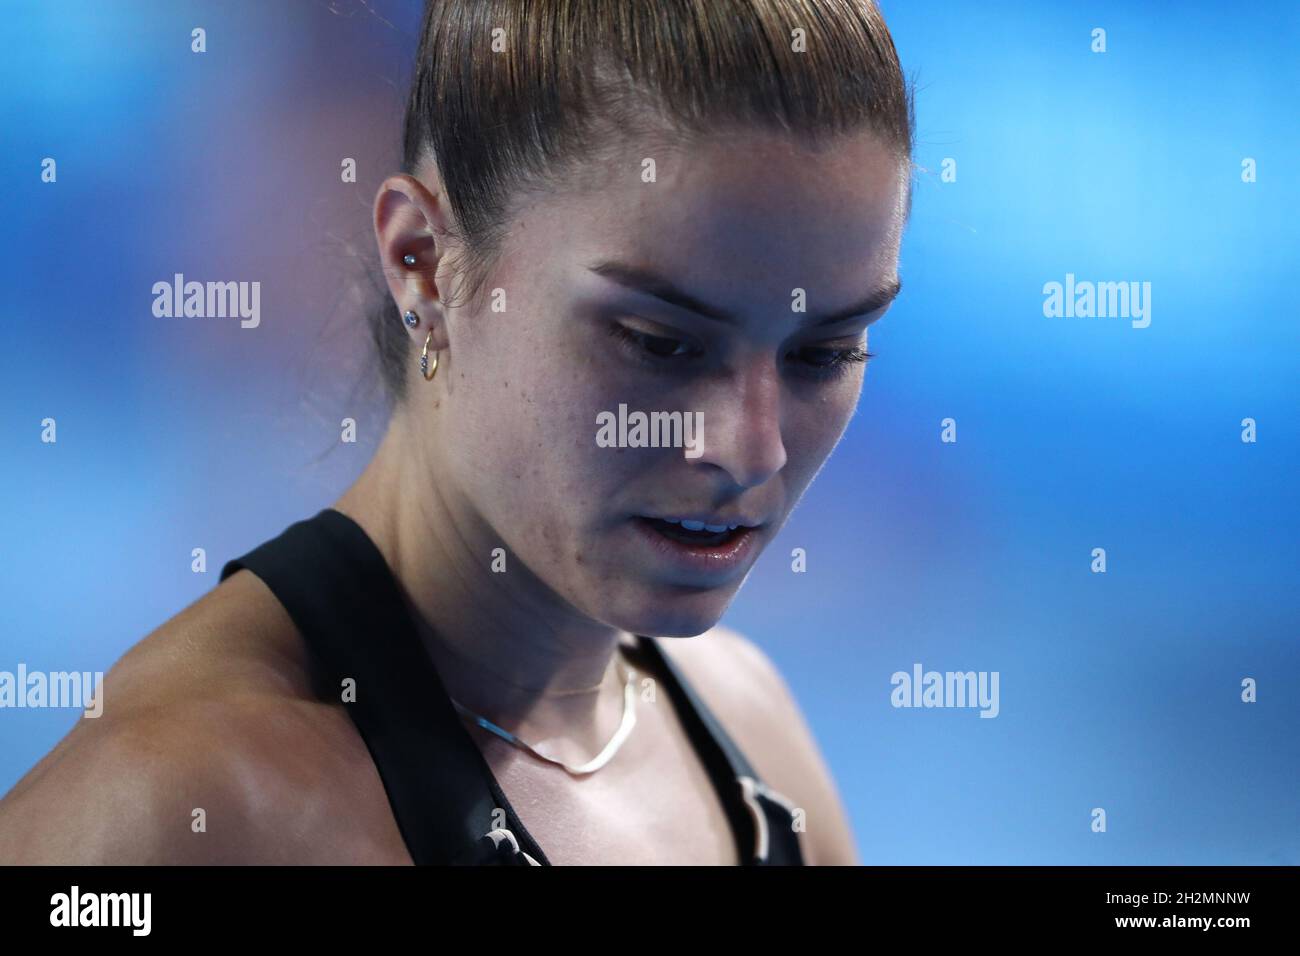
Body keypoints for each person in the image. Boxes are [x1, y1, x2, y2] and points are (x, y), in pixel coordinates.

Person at [0, 0, 913, 865]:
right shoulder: (176, 807)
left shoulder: (753, 737)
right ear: (424, 266)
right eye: (660, 343)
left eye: (823, 354)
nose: (751, 452)